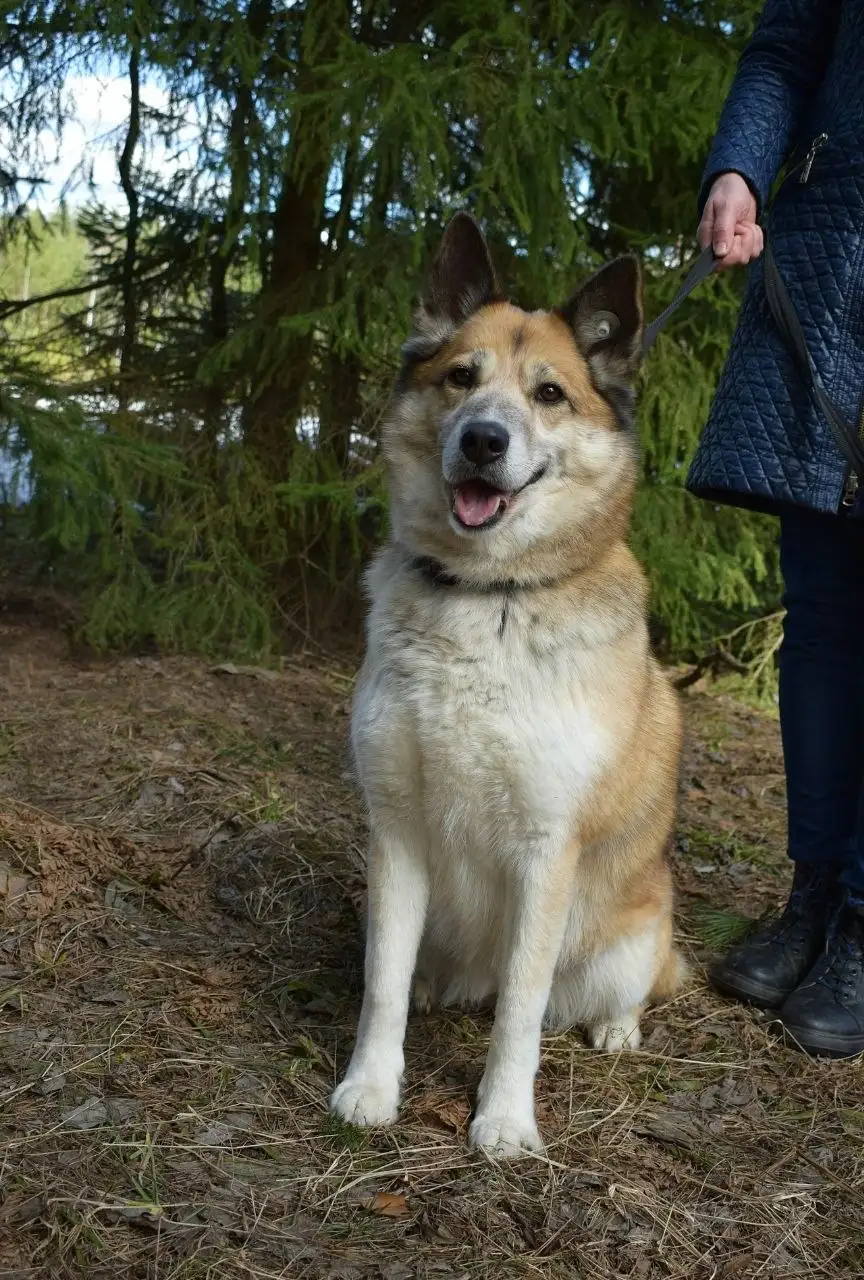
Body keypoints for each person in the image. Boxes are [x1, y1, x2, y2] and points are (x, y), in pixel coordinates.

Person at [687, 0, 864, 1058]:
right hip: (836, 257)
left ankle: (863, 922)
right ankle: (811, 895)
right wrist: (741, 171)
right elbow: (790, 46)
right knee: (827, 609)